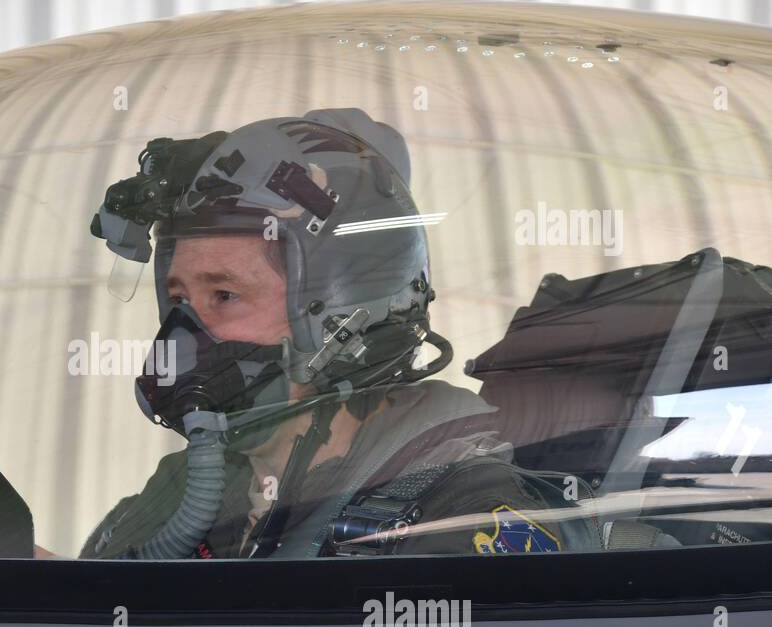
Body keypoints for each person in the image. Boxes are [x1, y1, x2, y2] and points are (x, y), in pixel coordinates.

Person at [81, 108, 603, 559]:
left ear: (343, 312)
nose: (185, 332)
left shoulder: (462, 511)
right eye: (178, 300)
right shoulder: (179, 495)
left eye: (224, 296)